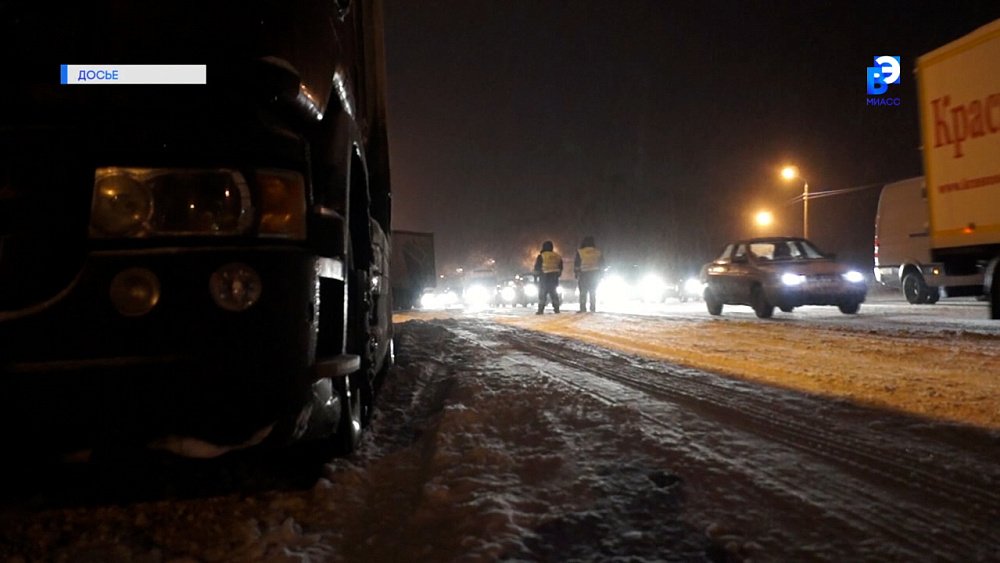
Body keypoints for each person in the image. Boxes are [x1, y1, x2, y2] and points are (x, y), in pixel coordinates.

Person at [574, 236, 605, 312]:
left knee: (583, 292)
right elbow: (602, 264)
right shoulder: (598, 252)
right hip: (594, 274)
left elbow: (577, 264)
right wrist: (601, 274)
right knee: (593, 291)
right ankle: (592, 308)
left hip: (584, 274)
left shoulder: (580, 252)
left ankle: (582, 308)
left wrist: (576, 273)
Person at [533, 240, 563, 314]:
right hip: (554, 277)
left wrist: (535, 278)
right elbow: (560, 267)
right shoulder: (557, 256)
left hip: (544, 277)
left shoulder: (541, 256)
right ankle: (556, 309)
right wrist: (558, 274)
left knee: (543, 293)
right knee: (554, 293)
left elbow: (537, 268)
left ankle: (541, 309)